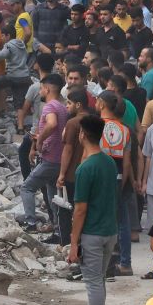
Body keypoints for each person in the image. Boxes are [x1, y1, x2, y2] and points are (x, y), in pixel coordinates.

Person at [70, 115, 119, 305]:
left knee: (93, 284)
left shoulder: (85, 169)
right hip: (110, 231)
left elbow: (80, 209)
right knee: (98, 281)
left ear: (82, 134)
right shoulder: (109, 162)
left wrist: (73, 243)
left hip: (91, 233)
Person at [20, 74, 67, 232]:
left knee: (27, 187)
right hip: (59, 157)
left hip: (51, 157)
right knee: (53, 194)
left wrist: (40, 140)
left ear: (47, 89)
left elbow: (52, 124)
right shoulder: (61, 106)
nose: (39, 91)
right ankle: (57, 227)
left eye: (41, 88)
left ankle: (30, 223)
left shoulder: (50, 106)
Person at [99, 92, 136, 277]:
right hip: (119, 177)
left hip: (101, 178)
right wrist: (124, 183)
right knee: (123, 221)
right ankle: (125, 262)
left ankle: (103, 261)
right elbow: (127, 162)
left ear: (101, 104)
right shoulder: (125, 130)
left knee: (102, 220)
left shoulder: (98, 126)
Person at [55, 89, 92, 247]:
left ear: (78, 104)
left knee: (65, 210)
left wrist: (61, 174)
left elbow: (68, 149)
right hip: (89, 173)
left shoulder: (73, 123)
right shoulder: (95, 120)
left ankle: (66, 244)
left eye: (69, 103)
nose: (66, 106)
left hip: (72, 174)